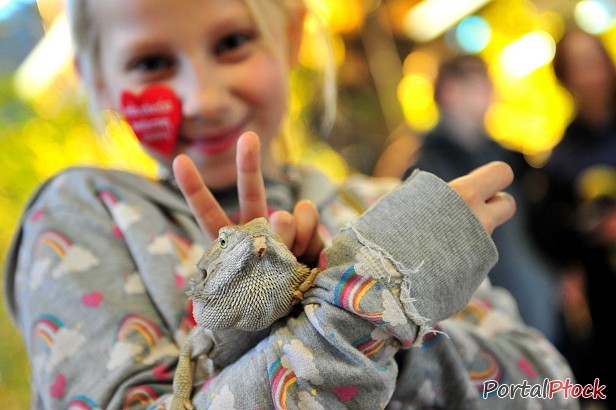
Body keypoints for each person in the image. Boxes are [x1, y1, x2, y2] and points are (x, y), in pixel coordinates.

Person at [2, 0, 577, 408]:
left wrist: (378, 325)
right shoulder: (86, 216)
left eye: (231, 43)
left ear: (295, 32)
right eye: (151, 63)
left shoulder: (385, 205)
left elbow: (553, 389)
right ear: (96, 80)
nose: (200, 96)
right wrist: (355, 310)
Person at [392, 54, 564, 345]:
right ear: (449, 90)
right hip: (485, 332)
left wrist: (556, 274)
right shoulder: (423, 166)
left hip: (538, 311)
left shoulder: (505, 154)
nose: (491, 92)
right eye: (479, 83)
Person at [523, 27, 616, 409]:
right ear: (565, 79)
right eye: (579, 64)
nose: (590, 72)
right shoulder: (563, 156)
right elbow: (557, 230)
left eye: (594, 59)